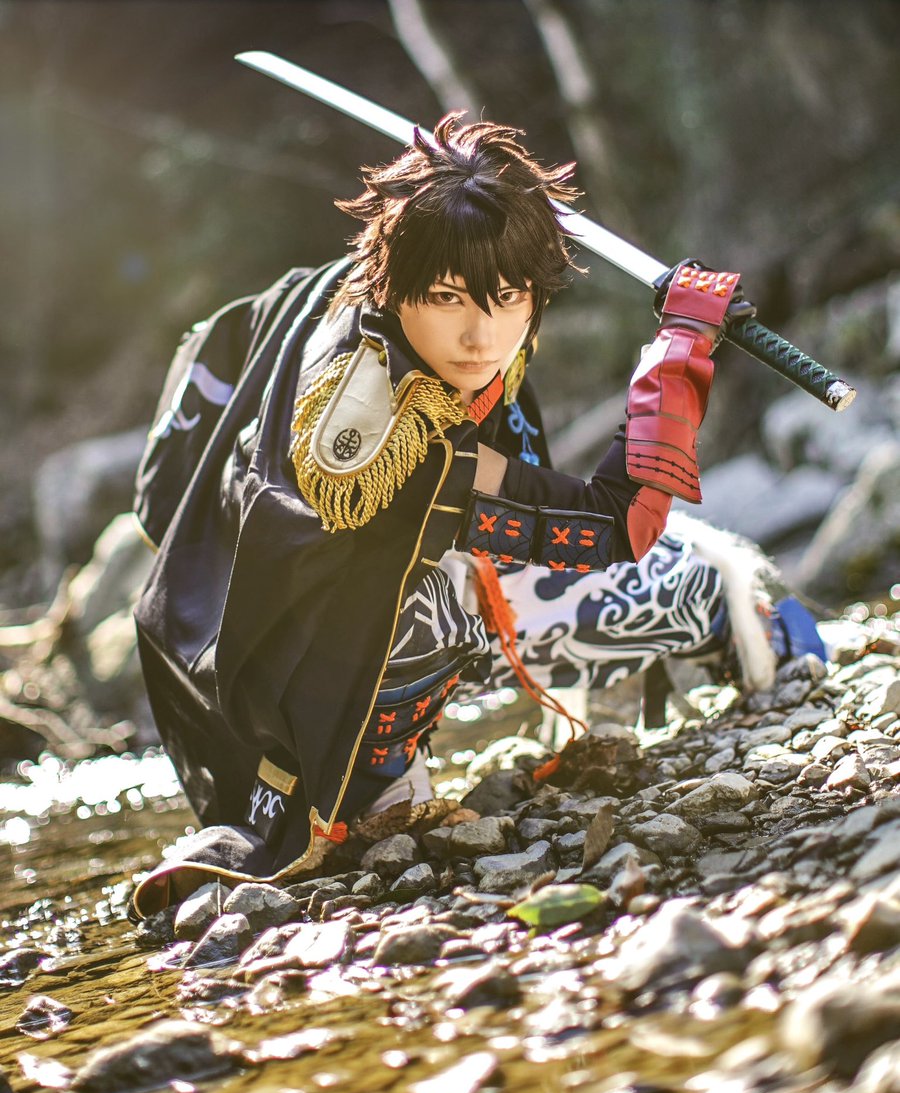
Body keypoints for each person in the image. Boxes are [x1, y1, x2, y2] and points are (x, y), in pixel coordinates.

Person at [128, 116, 823, 919]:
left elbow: (215, 361)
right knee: (670, 585)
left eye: (507, 296)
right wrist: (679, 352)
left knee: (482, 578)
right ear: (396, 284)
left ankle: (735, 649)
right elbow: (615, 525)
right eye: (446, 297)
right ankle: (371, 787)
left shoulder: (335, 289)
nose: (479, 335)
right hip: (313, 688)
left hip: (223, 645)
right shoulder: (394, 432)